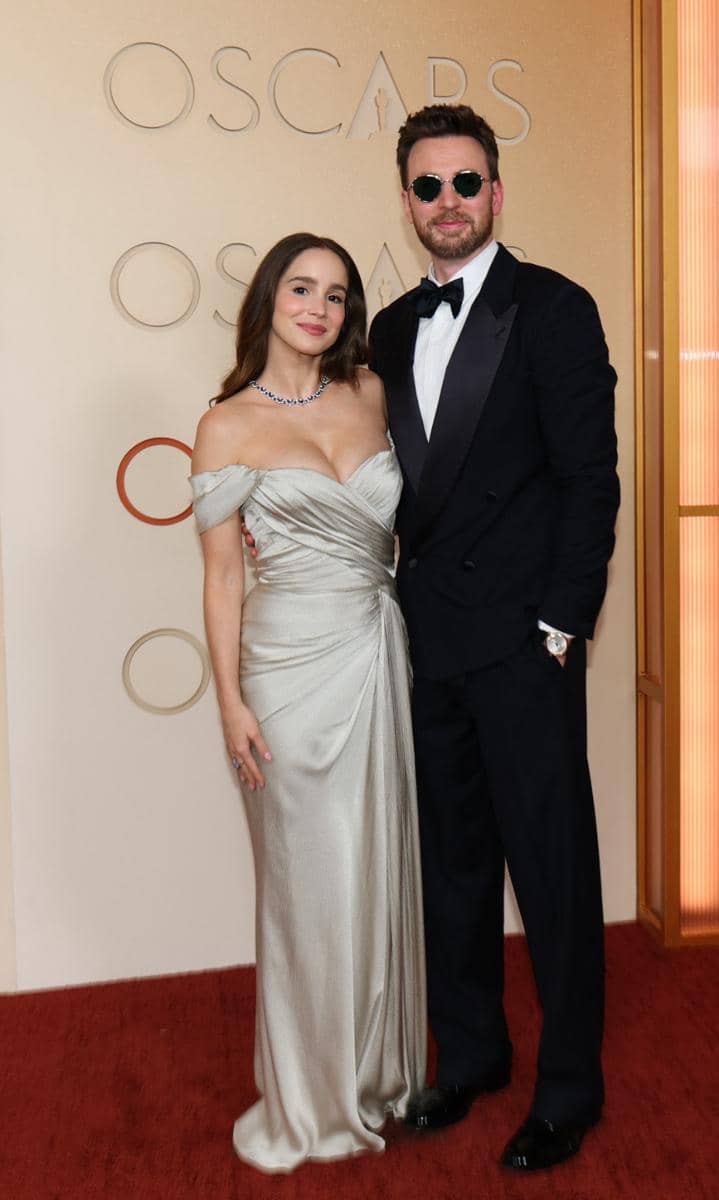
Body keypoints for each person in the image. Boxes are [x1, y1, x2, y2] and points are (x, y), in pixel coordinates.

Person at [368, 104, 620, 1171]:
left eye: (465, 183)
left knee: (551, 872)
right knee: (454, 867)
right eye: (427, 187)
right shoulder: (384, 329)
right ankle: (470, 1055)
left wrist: (559, 626)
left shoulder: (553, 308)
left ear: (495, 192)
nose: (447, 204)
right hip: (426, 643)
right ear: (407, 200)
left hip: (523, 644)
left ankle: (568, 1087)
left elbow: (587, 480)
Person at [189, 232, 426, 1173]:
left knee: (376, 870)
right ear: (268, 299)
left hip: (378, 656)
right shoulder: (225, 424)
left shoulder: (369, 394)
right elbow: (218, 581)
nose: (318, 307)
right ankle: (307, 1097)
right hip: (285, 675)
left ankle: (372, 1075)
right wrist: (230, 704)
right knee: (305, 888)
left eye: (335, 294)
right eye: (301, 287)